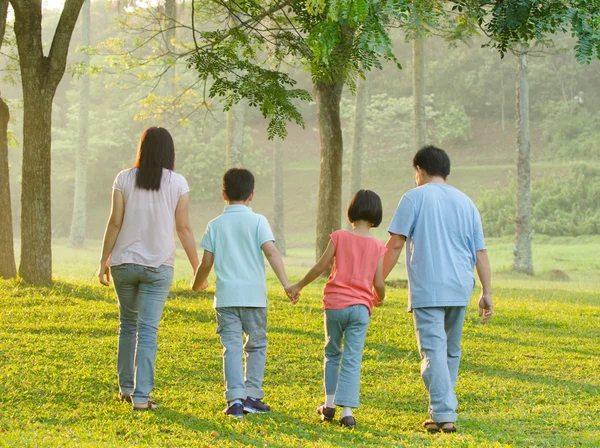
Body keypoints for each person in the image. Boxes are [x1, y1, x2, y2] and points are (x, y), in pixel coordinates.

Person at [383, 145, 493, 434]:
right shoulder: (466, 202)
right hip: (460, 287)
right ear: (446, 171)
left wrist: (377, 280)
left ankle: (445, 414)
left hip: (429, 287)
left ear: (419, 170)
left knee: (433, 351)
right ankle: (439, 411)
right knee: (450, 352)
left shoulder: (413, 197)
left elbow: (395, 243)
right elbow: (480, 252)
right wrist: (487, 291)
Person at [98, 127, 199, 410]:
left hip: (123, 264)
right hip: (158, 267)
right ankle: (141, 398)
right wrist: (196, 267)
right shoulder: (178, 183)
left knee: (127, 326)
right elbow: (184, 228)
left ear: (142, 149)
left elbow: (114, 223)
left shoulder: (124, 178)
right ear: (169, 151)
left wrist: (103, 260)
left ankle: (125, 389)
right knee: (147, 331)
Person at [191, 168, 296, 419]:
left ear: (223, 194)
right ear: (252, 195)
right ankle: (252, 396)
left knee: (232, 348)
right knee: (256, 345)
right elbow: (271, 253)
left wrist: (197, 284)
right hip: (254, 298)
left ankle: (235, 400)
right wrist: (286, 284)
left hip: (226, 299)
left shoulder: (214, 225)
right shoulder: (258, 221)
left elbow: (206, 262)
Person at [288, 190, 386, 429]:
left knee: (332, 353)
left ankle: (329, 404)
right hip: (361, 308)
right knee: (353, 358)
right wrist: (378, 299)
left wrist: (298, 285)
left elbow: (321, 266)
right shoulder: (377, 245)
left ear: (351, 212)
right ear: (376, 215)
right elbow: (379, 283)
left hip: (334, 305)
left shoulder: (340, 236)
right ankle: (347, 412)